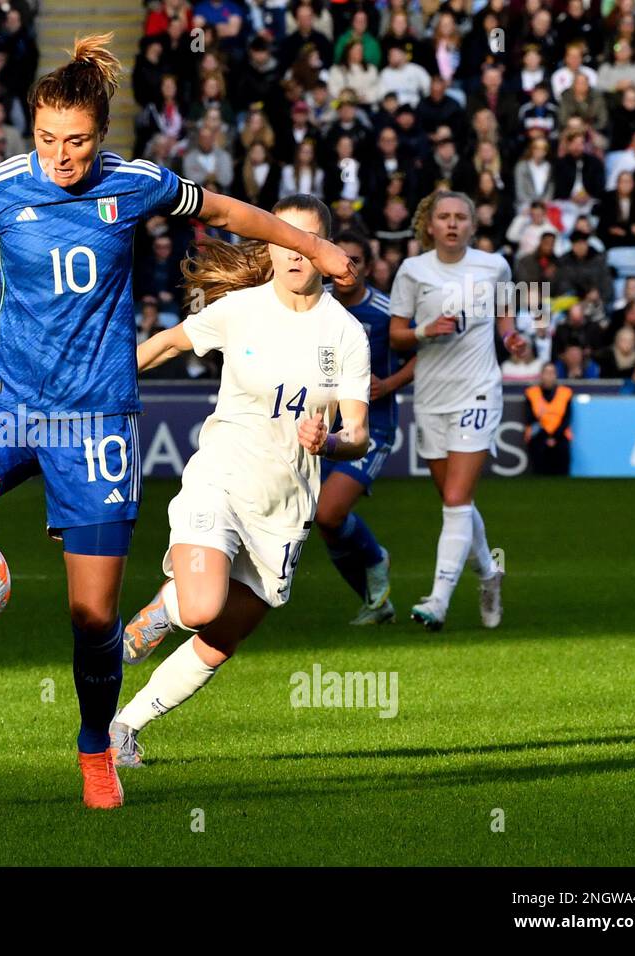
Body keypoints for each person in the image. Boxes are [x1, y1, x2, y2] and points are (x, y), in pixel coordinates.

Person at [0, 34, 356, 811]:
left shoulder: (137, 184)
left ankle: (97, 751)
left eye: (79, 141)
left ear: (102, 134)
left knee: (92, 619)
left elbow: (228, 210)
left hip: (94, 427)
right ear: (31, 131)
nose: (62, 156)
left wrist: (313, 244)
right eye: (48, 139)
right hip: (6, 406)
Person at [108, 196, 371, 767]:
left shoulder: (347, 334)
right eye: (286, 238)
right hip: (221, 480)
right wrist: (104, 383)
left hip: (285, 509)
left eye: (309, 240)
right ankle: (167, 608)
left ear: (325, 253)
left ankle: (124, 726)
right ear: (270, 246)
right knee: (202, 608)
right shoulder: (241, 310)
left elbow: (360, 435)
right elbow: (172, 342)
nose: (296, 251)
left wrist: (331, 443)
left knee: (220, 639)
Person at [388, 191, 526, 631]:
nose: (452, 224)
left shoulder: (494, 266)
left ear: (472, 225)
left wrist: (511, 339)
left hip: (479, 392)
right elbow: (396, 336)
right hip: (430, 396)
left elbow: (505, 315)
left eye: (460, 217)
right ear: (430, 225)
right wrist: (425, 330)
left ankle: (438, 600)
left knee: (454, 500)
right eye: (443, 217)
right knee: (457, 501)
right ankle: (488, 574)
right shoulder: (412, 271)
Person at [316, 231, 416, 625]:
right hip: (321, 424)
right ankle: (377, 603)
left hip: (372, 428)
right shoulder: (315, 303)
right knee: (324, 523)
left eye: (355, 259)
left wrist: (389, 385)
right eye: (340, 258)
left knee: (329, 513)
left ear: (370, 267)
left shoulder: (387, 312)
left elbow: (421, 357)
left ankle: (376, 557)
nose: (346, 267)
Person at [524, 363, 573, 475]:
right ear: (541, 375)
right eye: (546, 372)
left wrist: (554, 437)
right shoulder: (531, 393)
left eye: (552, 373)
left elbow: (567, 419)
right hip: (539, 436)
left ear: (556, 375)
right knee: (538, 448)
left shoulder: (565, 393)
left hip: (559, 436)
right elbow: (529, 419)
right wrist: (546, 436)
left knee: (562, 451)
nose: (549, 376)